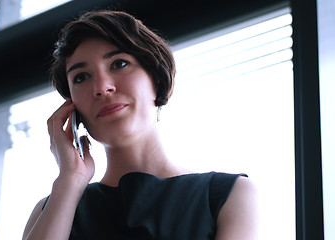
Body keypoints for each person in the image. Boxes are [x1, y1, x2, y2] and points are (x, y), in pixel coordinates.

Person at [22, 10, 258, 240]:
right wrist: (69, 180)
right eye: (81, 77)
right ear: (72, 108)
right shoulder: (52, 209)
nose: (102, 87)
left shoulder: (228, 195)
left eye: (119, 64)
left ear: (156, 77)